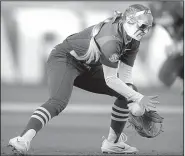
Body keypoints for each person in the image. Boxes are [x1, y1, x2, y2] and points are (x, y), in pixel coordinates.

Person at [8, 4, 159, 155]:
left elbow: (126, 77)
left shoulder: (133, 40)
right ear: (130, 20)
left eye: (148, 27)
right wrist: (138, 98)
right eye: (143, 26)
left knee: (128, 92)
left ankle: (112, 143)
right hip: (65, 59)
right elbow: (111, 79)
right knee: (58, 102)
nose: (145, 31)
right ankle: (22, 139)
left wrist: (132, 100)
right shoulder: (111, 40)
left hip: (88, 66)